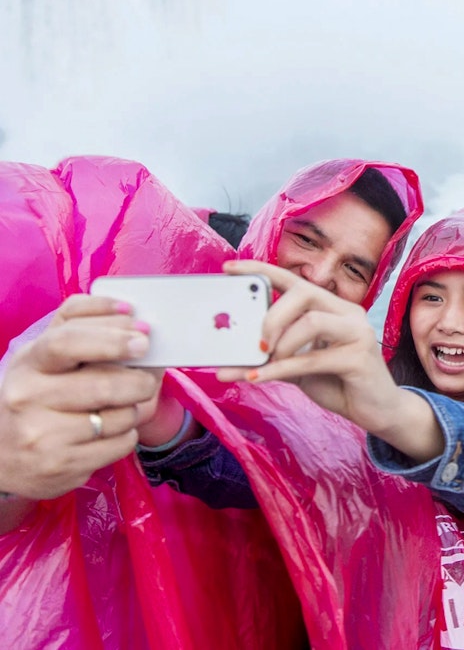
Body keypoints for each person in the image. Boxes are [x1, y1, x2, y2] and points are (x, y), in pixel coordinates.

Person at [0, 156, 423, 648]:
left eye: (354, 268)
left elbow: (298, 485)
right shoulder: (119, 312)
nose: (320, 274)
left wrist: (176, 433)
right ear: (271, 226)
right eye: (306, 239)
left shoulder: (345, 394)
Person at [215, 199, 464, 648]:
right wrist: (173, 431)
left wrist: (401, 418)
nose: (451, 322)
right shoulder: (357, 401)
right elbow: (259, 471)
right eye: (432, 297)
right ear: (405, 308)